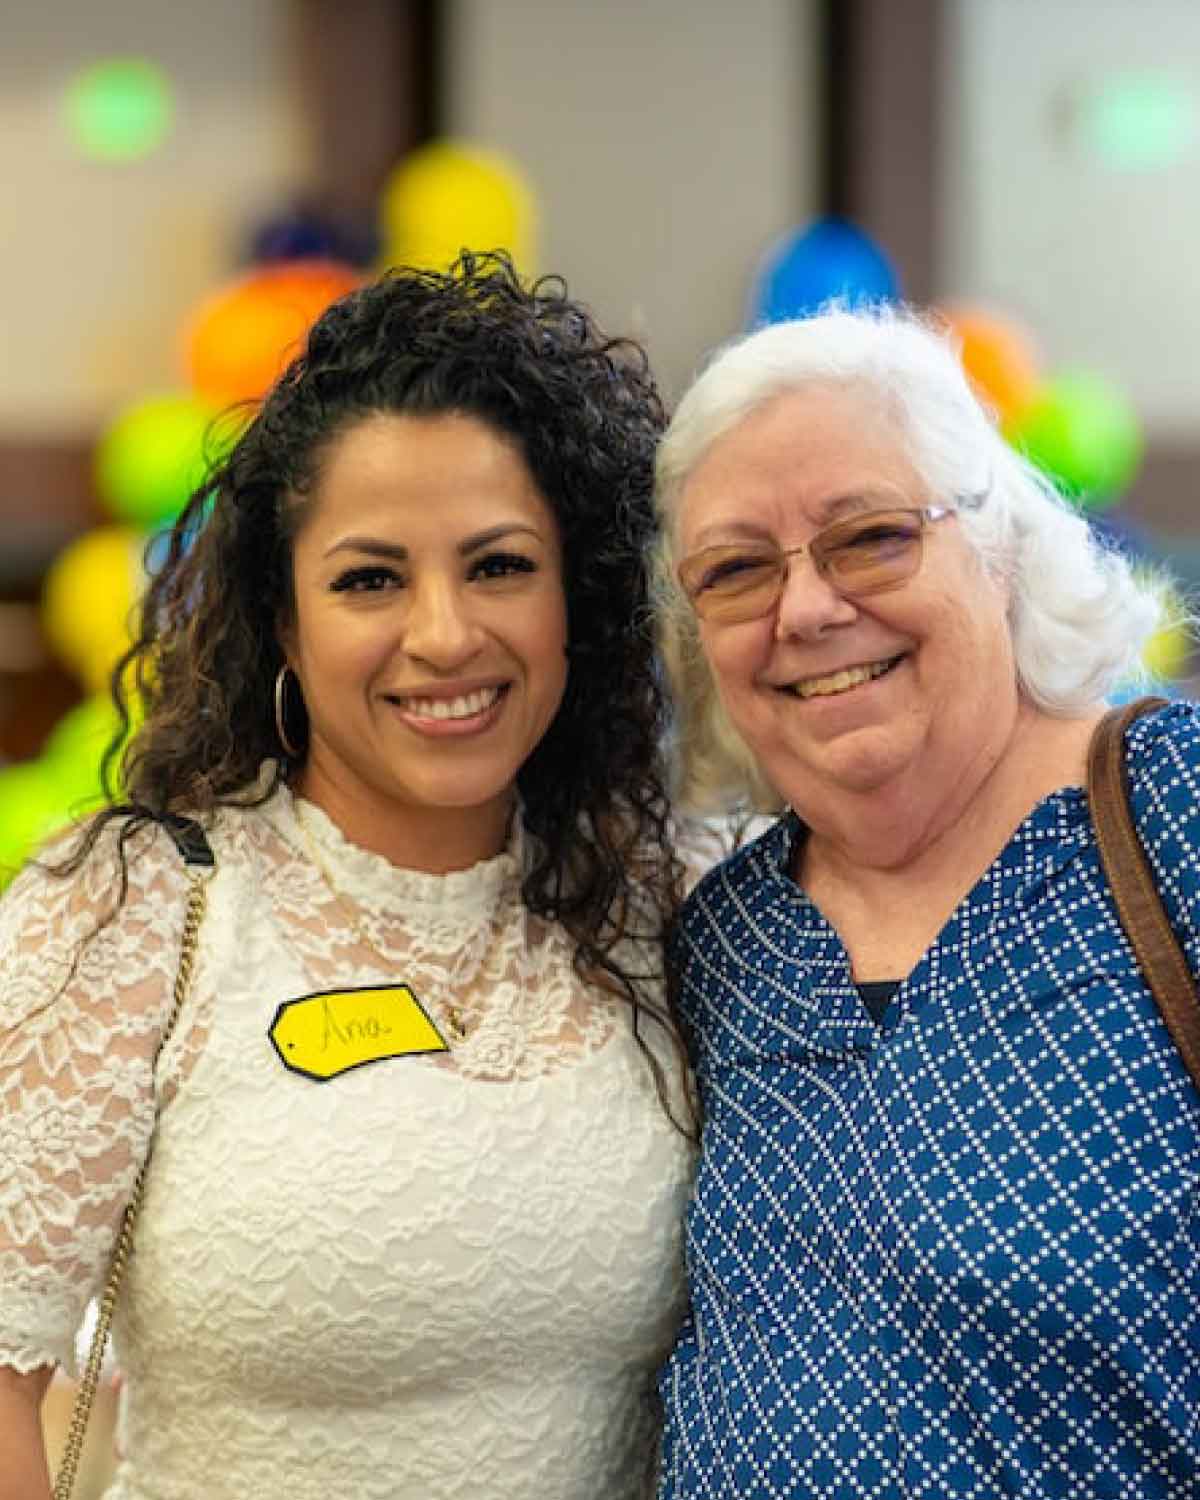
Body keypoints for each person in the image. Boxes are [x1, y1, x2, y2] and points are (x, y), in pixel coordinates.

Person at [0, 252, 698, 1500]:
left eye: (499, 565)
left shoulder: (667, 908)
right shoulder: (136, 908)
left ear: (574, 602)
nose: (443, 634)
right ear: (283, 620)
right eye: (370, 578)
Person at [650, 302, 1200, 1498]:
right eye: (738, 571)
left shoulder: (1174, 818)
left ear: (997, 547)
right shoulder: (725, 940)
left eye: (871, 537)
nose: (805, 611)